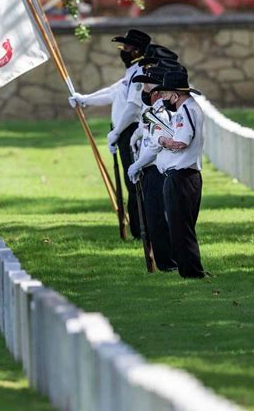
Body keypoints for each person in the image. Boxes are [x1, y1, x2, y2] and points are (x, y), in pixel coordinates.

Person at [68, 29, 151, 239]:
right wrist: (84, 99)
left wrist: (116, 132)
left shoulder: (141, 72)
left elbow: (132, 108)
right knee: (130, 180)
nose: (123, 50)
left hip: (132, 133)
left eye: (127, 47)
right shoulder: (131, 72)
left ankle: (143, 231)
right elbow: (112, 92)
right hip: (123, 132)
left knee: (136, 183)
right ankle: (139, 229)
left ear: (138, 51)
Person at [149, 71, 206, 279]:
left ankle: (192, 272)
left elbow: (180, 142)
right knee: (182, 226)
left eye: (165, 94)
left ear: (175, 94)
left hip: (181, 176)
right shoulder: (188, 109)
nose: (163, 98)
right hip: (185, 176)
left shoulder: (184, 111)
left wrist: (161, 139)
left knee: (180, 227)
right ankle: (189, 269)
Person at [127, 66, 177, 271]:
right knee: (152, 218)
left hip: (157, 170)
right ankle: (163, 260)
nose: (144, 92)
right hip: (149, 170)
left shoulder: (162, 114)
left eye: (147, 87)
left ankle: (168, 263)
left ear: (156, 92)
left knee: (159, 219)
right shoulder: (151, 112)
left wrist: (137, 164)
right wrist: (136, 136)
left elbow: (156, 145)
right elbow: (146, 134)